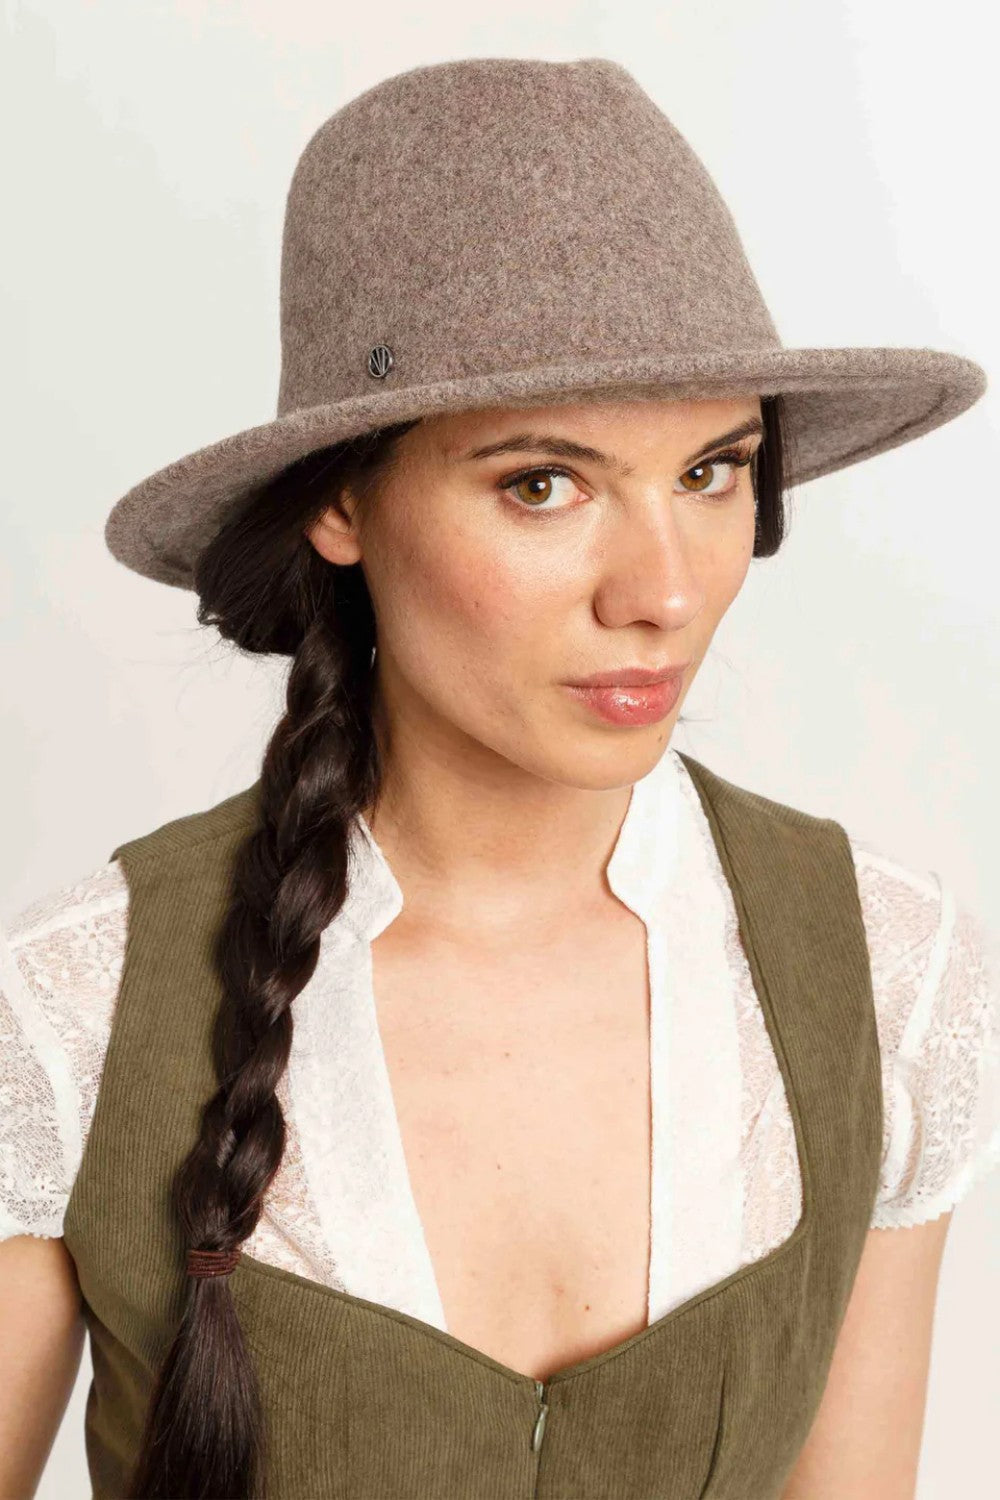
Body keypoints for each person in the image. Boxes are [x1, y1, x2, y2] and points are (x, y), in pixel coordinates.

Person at [1, 54, 997, 1500]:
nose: (663, 591)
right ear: (341, 499)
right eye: (546, 483)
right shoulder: (73, 1011)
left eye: (713, 473)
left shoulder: (890, 980)